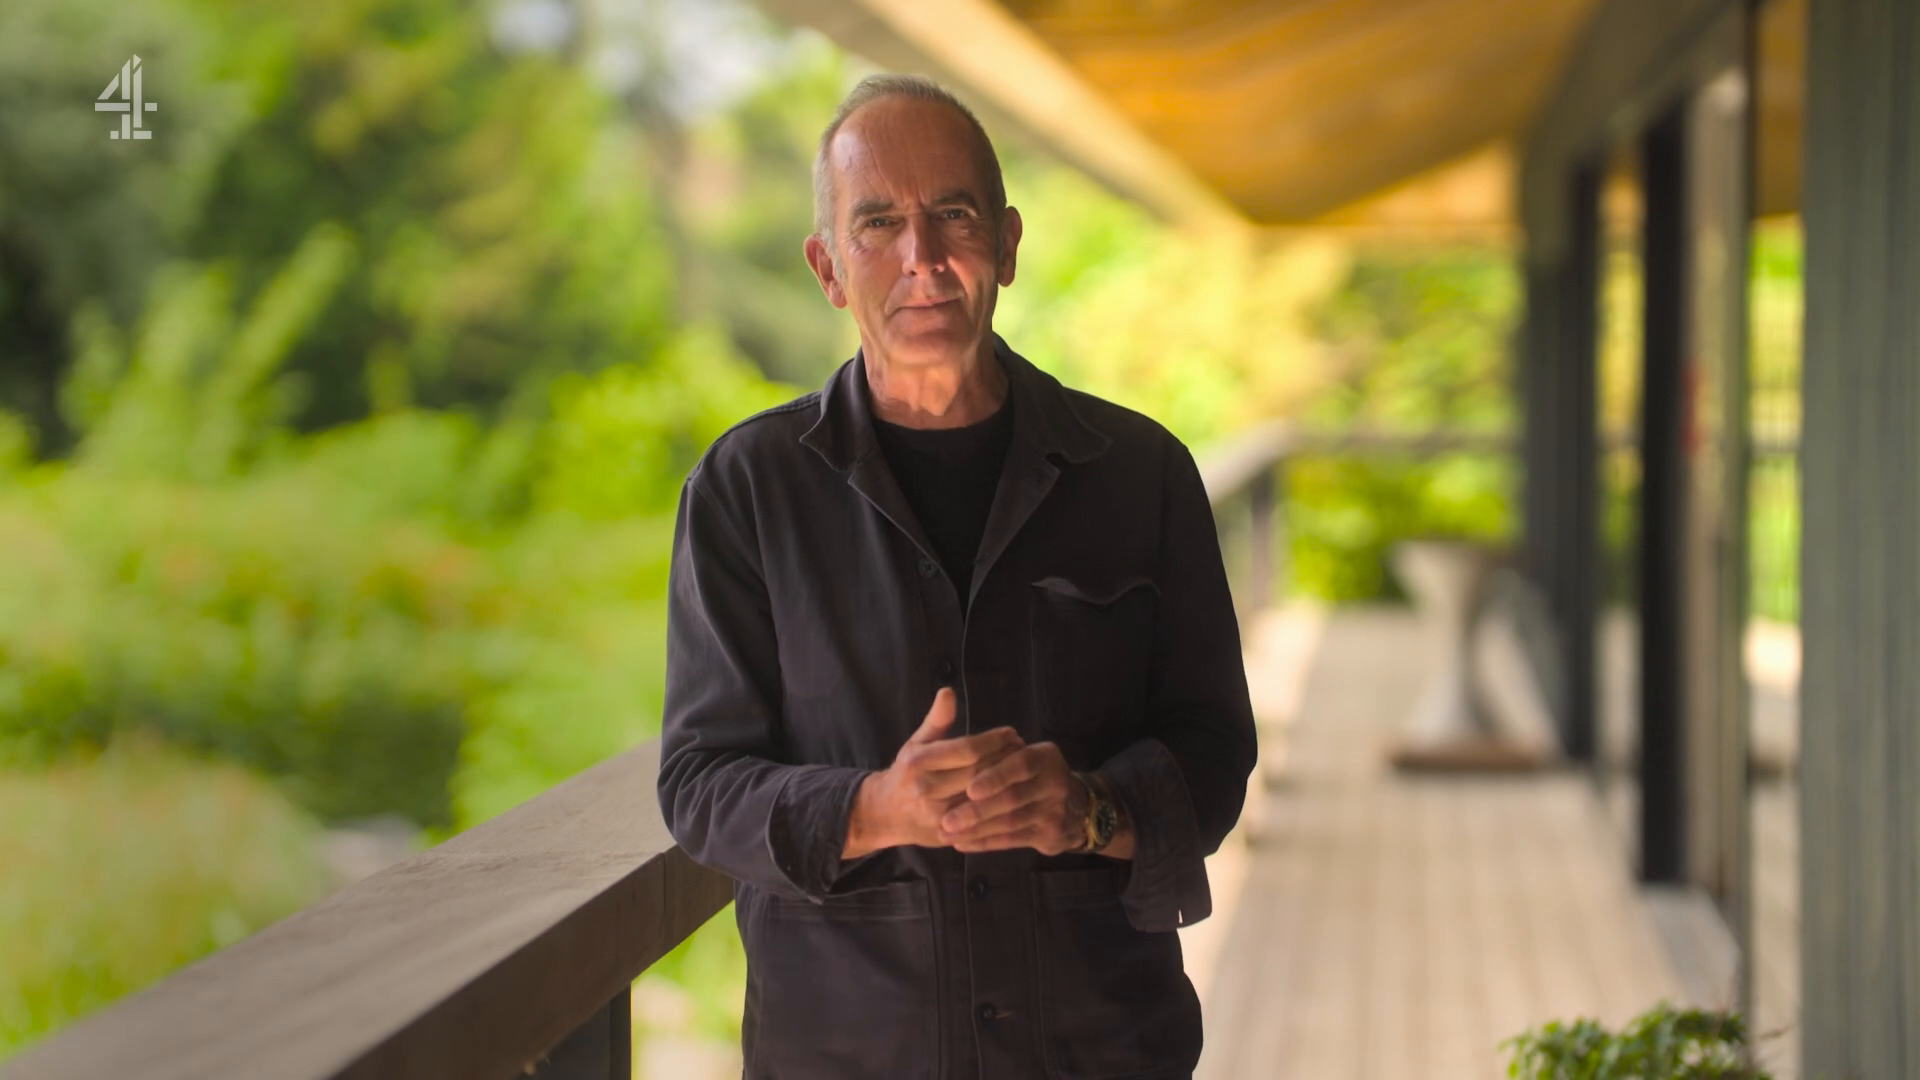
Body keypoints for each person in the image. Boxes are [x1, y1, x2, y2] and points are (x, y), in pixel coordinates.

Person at [657, 73, 1257, 1080]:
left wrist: (1092, 810)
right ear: (827, 267)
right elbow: (699, 783)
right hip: (847, 1057)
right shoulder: (747, 489)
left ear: (1008, 245)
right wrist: (874, 808)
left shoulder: (1141, 474)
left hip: (1100, 1053)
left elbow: (1217, 754)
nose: (922, 258)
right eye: (878, 223)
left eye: (955, 215)